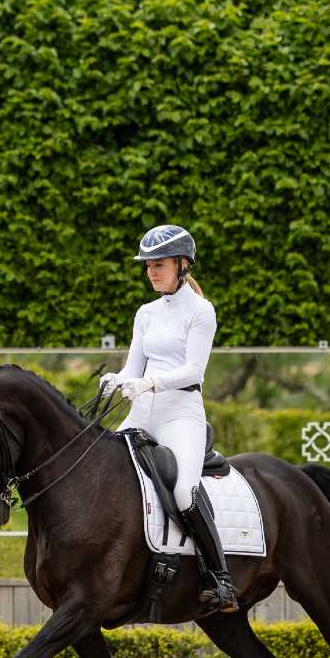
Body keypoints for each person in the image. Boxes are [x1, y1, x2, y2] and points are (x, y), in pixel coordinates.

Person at [100, 224, 239, 612]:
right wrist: (116, 381)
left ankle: (221, 578)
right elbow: (132, 366)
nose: (151, 272)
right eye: (147, 266)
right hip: (142, 412)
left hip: (181, 414)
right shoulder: (145, 313)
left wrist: (149, 383)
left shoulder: (201, 312)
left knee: (183, 492)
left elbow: (195, 371)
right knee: (105, 469)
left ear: (182, 264)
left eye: (158, 265)